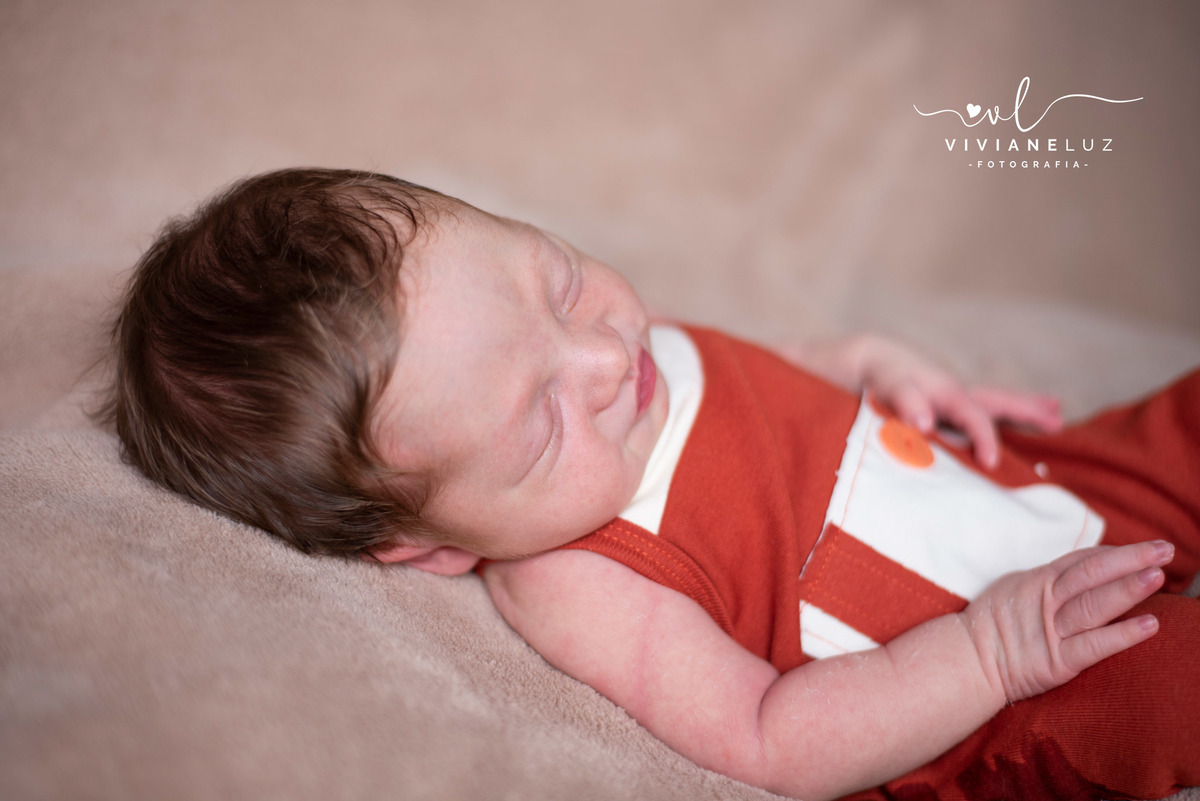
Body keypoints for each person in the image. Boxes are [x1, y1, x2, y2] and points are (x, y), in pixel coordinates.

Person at [103, 168, 1200, 801]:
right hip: (962, 680)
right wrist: (988, 656)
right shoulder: (573, 577)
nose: (597, 358)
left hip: (1018, 483)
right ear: (430, 544)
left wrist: (870, 363)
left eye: (563, 281)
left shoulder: (607, 353)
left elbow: (766, 375)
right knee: (1162, 692)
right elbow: (773, 738)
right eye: (537, 419)